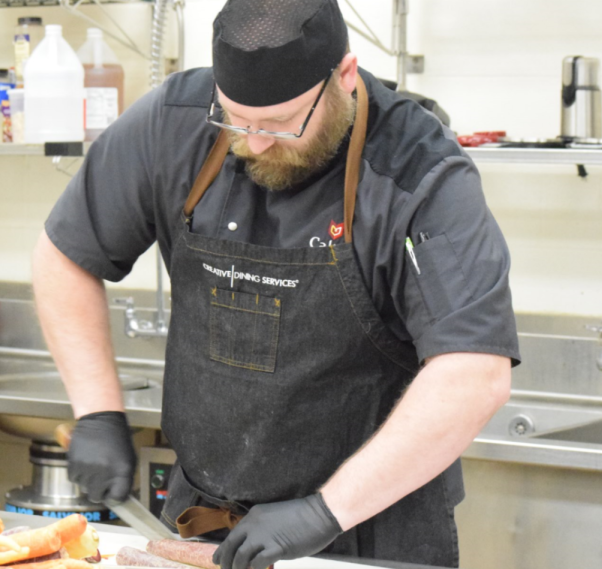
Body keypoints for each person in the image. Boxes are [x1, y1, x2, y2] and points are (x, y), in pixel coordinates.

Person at [32, 0, 520, 567]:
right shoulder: (174, 121)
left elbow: (474, 373)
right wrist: (96, 410)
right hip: (202, 524)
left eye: (280, 123)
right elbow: (65, 254)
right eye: (235, 120)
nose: (255, 142)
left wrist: (324, 511)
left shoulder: (419, 172)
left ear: (344, 75)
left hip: (368, 529)